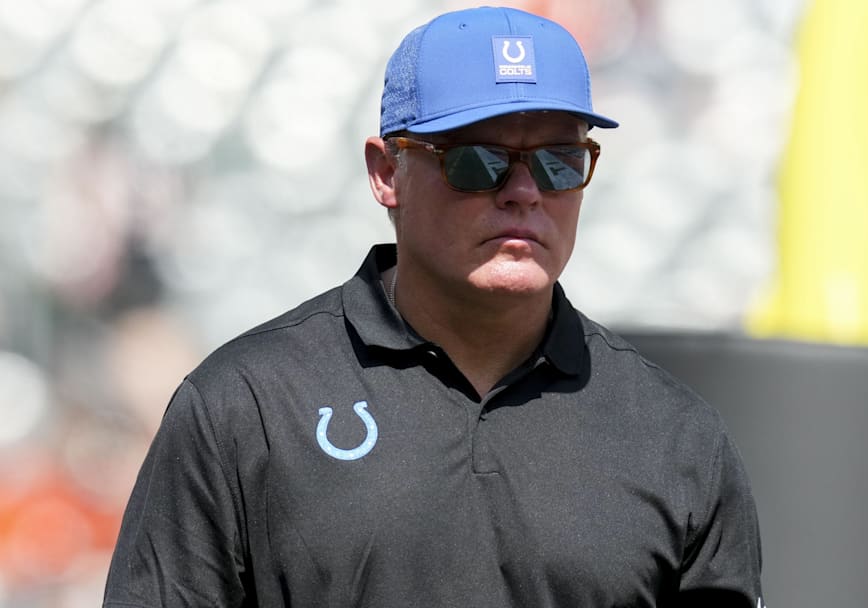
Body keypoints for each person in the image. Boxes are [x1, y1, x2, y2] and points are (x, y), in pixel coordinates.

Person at [103, 6, 764, 607]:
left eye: (562, 162)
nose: (526, 192)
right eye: (478, 160)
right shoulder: (246, 406)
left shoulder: (675, 438)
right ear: (386, 172)